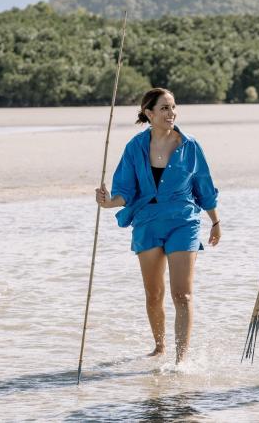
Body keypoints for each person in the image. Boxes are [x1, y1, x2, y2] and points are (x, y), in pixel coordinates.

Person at [95, 88, 221, 363]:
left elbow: (204, 186)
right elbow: (124, 191)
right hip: (148, 222)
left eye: (173, 107)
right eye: (164, 108)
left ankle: (181, 359)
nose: (171, 113)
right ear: (149, 114)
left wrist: (215, 221)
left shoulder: (190, 146)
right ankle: (160, 346)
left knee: (182, 294)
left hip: (183, 222)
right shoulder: (135, 147)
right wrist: (108, 203)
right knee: (154, 294)